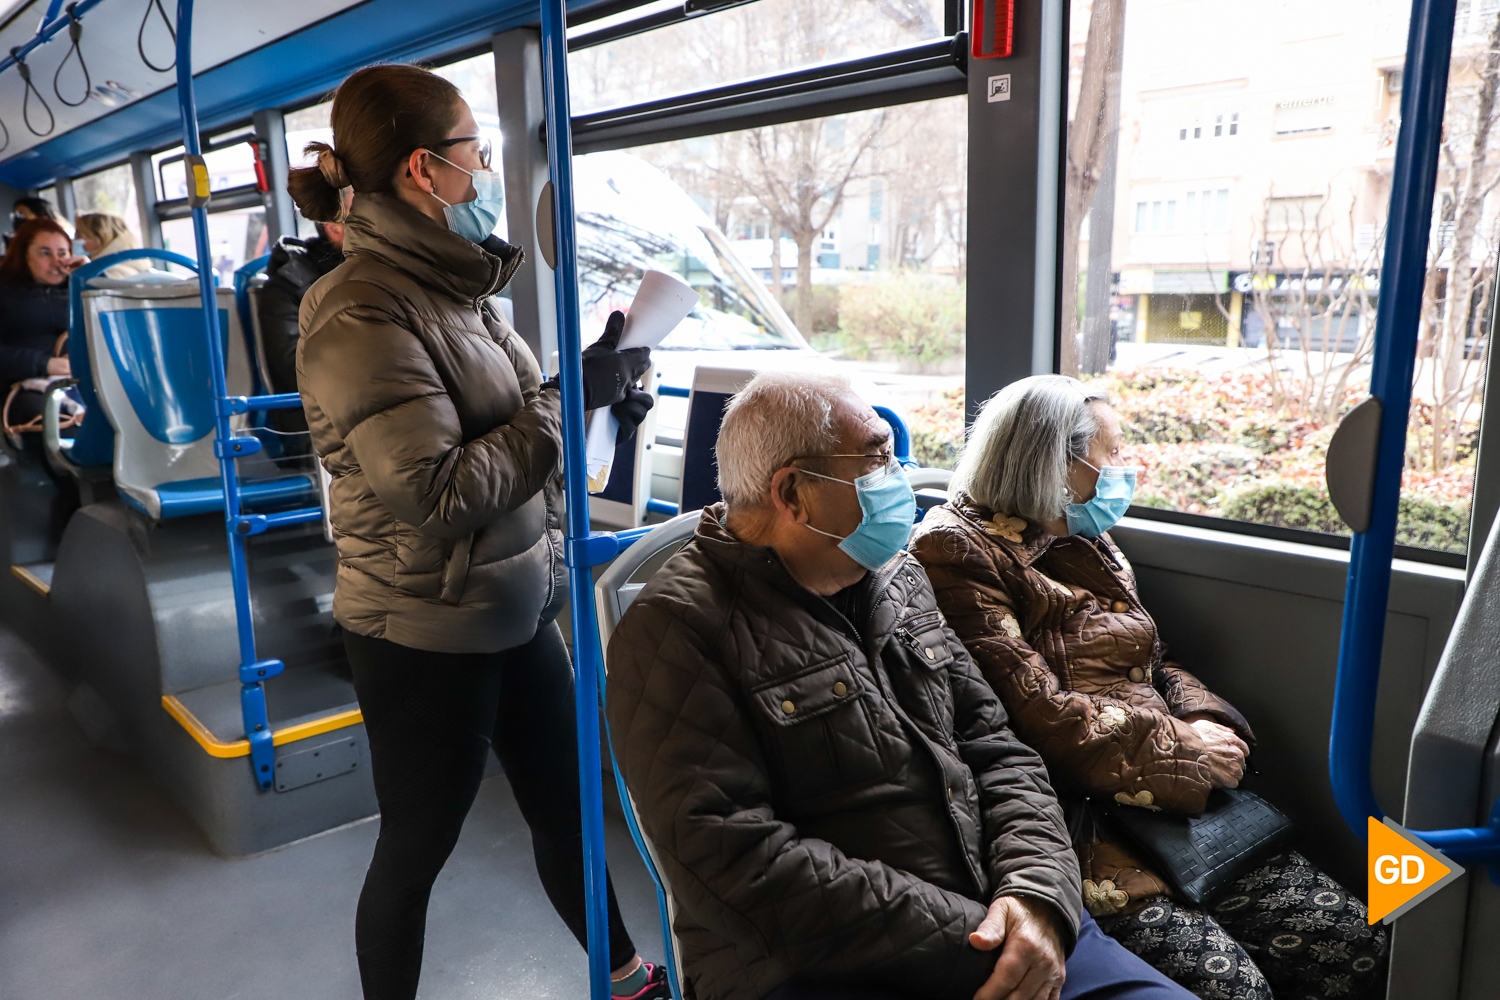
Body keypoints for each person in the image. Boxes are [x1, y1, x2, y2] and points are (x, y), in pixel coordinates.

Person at [607, 371, 1197, 1000]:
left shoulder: (897, 577)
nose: (900, 475)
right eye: (878, 457)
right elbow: (736, 861)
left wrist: (1036, 894)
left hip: (1003, 908)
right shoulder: (676, 630)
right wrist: (981, 938)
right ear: (794, 493)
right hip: (827, 963)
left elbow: (998, 747)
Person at [288, 63, 660, 1000]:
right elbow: (438, 491)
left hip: (517, 601)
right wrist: (565, 400)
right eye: (474, 152)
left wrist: (605, 401)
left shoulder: (460, 291)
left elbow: (522, 425)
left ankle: (623, 975)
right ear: (424, 168)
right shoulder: (359, 310)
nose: (484, 168)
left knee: (570, 812)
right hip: (422, 626)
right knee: (418, 845)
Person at [908, 374, 1388, 1000]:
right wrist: (1188, 751)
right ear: (1054, 462)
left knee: (1360, 947)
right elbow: (1029, 716)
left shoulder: (1084, 538)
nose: (1120, 470)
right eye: (1110, 453)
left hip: (1173, 795)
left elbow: (1154, 659)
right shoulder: (954, 553)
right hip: (1082, 826)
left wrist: (1208, 722)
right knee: (1235, 992)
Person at [256, 196, 349, 449]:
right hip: (315, 423)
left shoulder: (368, 273)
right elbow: (296, 367)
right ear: (334, 228)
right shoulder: (287, 286)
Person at [0, 218, 82, 429]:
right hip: (23, 382)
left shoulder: (80, 287)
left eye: (62, 253)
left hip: (82, 379)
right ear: (24, 255)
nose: (56, 262)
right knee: (54, 418)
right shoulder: (5, 290)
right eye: (45, 253)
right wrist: (43, 363)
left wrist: (92, 275)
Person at [74, 212, 149, 278]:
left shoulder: (111, 274)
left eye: (79, 235)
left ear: (101, 236)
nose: (75, 241)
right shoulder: (129, 264)